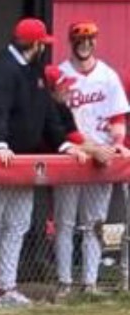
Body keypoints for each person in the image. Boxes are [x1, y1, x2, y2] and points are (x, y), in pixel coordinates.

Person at [0, 17, 69, 308]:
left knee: (18, 223)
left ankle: (6, 285)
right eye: (42, 44)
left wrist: (63, 143)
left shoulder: (31, 70)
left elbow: (46, 112)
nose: (44, 49)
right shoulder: (1, 69)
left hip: (21, 158)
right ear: (34, 44)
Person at [53, 21, 128, 298]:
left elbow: (118, 118)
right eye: (79, 39)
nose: (85, 43)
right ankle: (64, 282)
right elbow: (55, 123)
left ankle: (90, 282)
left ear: (96, 41)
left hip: (101, 157)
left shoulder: (107, 75)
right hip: (72, 156)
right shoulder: (60, 74)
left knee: (94, 223)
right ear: (70, 41)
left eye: (90, 39)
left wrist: (118, 143)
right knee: (65, 222)